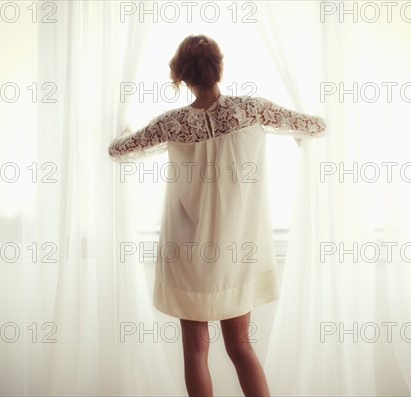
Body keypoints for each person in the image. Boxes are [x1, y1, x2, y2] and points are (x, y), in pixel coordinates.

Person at [109, 34, 326, 397]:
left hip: (187, 255)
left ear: (180, 76)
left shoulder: (172, 123)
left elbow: (118, 150)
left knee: (195, 349)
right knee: (241, 347)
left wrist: (124, 130)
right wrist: (294, 136)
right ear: (219, 68)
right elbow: (315, 125)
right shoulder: (250, 110)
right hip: (234, 255)